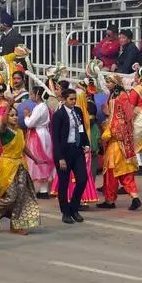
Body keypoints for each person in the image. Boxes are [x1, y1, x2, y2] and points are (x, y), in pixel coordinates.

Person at [0, 109, 41, 235]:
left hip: (21, 166)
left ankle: (15, 226)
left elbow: (23, 147)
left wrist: (35, 158)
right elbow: (2, 122)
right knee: (11, 196)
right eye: (11, 115)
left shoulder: (20, 131)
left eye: (16, 115)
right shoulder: (4, 130)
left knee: (20, 196)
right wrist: (9, 105)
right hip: (8, 166)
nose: (15, 117)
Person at [97, 84, 141, 210]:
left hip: (115, 150)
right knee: (127, 175)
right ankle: (135, 197)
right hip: (127, 151)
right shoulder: (128, 120)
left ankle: (110, 200)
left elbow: (108, 135)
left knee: (110, 175)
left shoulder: (115, 119)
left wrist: (102, 135)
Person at [51, 88, 91, 224]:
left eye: (75, 99)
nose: (74, 101)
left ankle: (74, 207)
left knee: (82, 179)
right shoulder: (58, 115)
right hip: (64, 152)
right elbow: (55, 138)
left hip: (77, 150)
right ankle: (65, 212)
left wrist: (86, 143)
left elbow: (82, 129)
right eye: (71, 99)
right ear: (63, 100)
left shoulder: (78, 111)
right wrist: (60, 157)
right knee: (63, 183)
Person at [22, 86, 54, 198]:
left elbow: (30, 123)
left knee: (38, 159)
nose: (30, 96)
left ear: (37, 95)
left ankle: (42, 190)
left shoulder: (40, 107)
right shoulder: (42, 106)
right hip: (43, 134)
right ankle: (43, 189)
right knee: (43, 158)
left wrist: (26, 116)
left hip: (38, 135)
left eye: (32, 94)